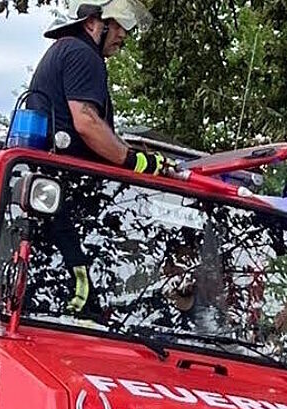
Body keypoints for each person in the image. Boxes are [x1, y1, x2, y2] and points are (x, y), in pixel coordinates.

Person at [24, 0, 174, 317]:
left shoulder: (64, 51)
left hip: (55, 190)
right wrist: (135, 162)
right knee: (82, 298)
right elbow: (87, 122)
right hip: (67, 186)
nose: (123, 35)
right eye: (118, 26)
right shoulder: (83, 55)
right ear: (93, 22)